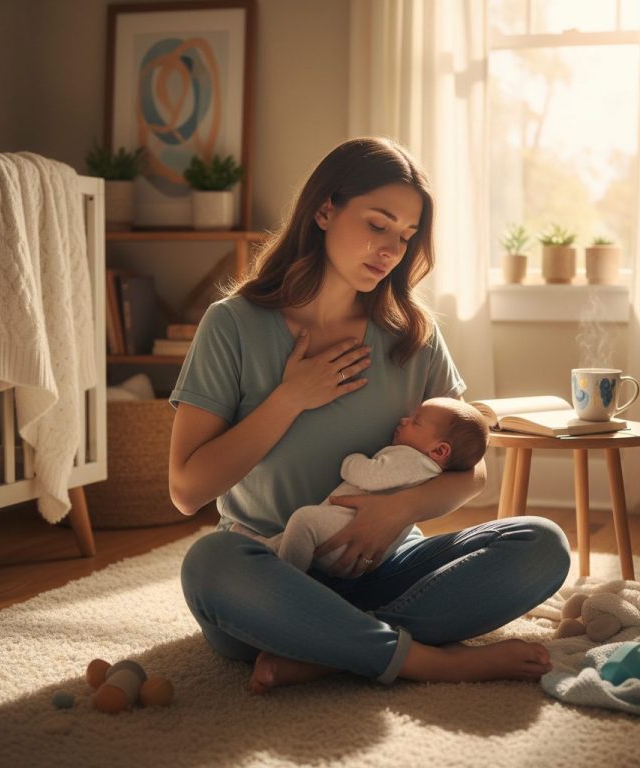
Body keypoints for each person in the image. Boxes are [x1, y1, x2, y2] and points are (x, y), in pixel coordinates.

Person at [170, 136, 570, 694]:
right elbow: (187, 490)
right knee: (210, 563)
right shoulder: (232, 325)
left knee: (541, 544)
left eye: (405, 237)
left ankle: (329, 651)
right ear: (325, 209)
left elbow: (470, 470)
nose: (390, 249)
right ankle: (430, 661)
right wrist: (290, 398)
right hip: (271, 573)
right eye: (377, 224)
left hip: (385, 567)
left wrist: (395, 511)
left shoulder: (413, 334)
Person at [256, 397, 489, 574]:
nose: (404, 420)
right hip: (353, 535)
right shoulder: (423, 465)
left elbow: (370, 476)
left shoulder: (412, 461)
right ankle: (272, 547)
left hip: (350, 536)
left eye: (415, 422)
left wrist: (351, 460)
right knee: (297, 531)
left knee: (303, 521)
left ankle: (288, 581)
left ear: (439, 450)